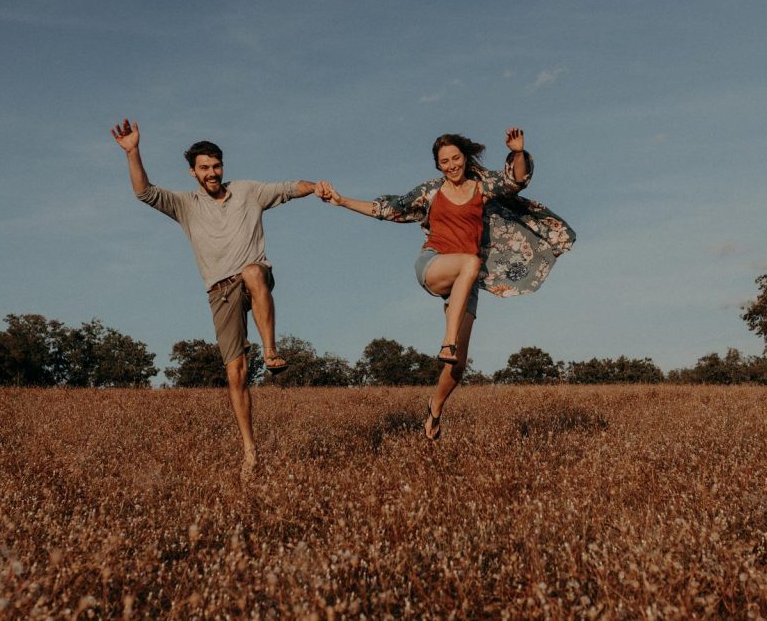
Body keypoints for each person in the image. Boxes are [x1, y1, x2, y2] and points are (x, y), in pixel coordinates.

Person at [318, 127, 575, 440]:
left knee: (457, 367)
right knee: (469, 263)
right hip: (435, 264)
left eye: (456, 158)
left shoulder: (482, 187)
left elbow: (515, 181)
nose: (451, 165)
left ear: (465, 159)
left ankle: (434, 408)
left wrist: (518, 152)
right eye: (445, 161)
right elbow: (387, 209)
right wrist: (341, 200)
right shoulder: (431, 191)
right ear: (437, 165)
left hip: (465, 282)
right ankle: (448, 340)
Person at [111, 118, 320, 480]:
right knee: (236, 374)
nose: (212, 173)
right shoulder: (185, 205)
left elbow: (288, 188)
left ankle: (270, 352)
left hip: (252, 277)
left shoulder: (248, 191)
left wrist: (318, 188)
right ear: (192, 172)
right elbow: (144, 192)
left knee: (254, 272)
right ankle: (250, 451)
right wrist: (133, 152)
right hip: (219, 292)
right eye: (204, 168)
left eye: (217, 166)